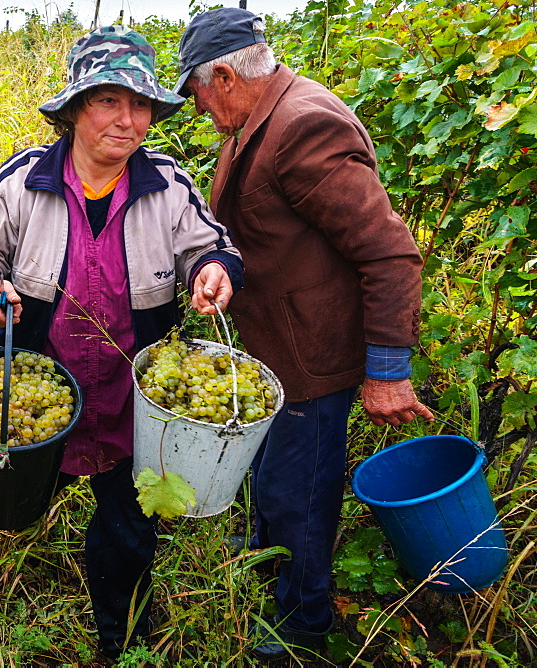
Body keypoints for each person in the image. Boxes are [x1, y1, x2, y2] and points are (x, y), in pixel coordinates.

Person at [0, 25, 243, 659]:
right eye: (110, 100)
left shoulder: (166, 184)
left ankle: (120, 635)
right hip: (42, 389)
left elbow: (211, 247)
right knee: (10, 499)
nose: (129, 119)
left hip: (133, 399)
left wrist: (211, 272)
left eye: (140, 105)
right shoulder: (25, 179)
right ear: (77, 107)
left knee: (128, 529)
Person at [173, 8, 434, 660]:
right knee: (270, 468)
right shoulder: (259, 114)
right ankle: (269, 554)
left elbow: (389, 253)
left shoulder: (302, 126)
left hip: (310, 357)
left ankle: (302, 622)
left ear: (226, 76)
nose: (198, 107)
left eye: (196, 92)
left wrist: (386, 369)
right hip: (275, 344)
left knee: (301, 490)